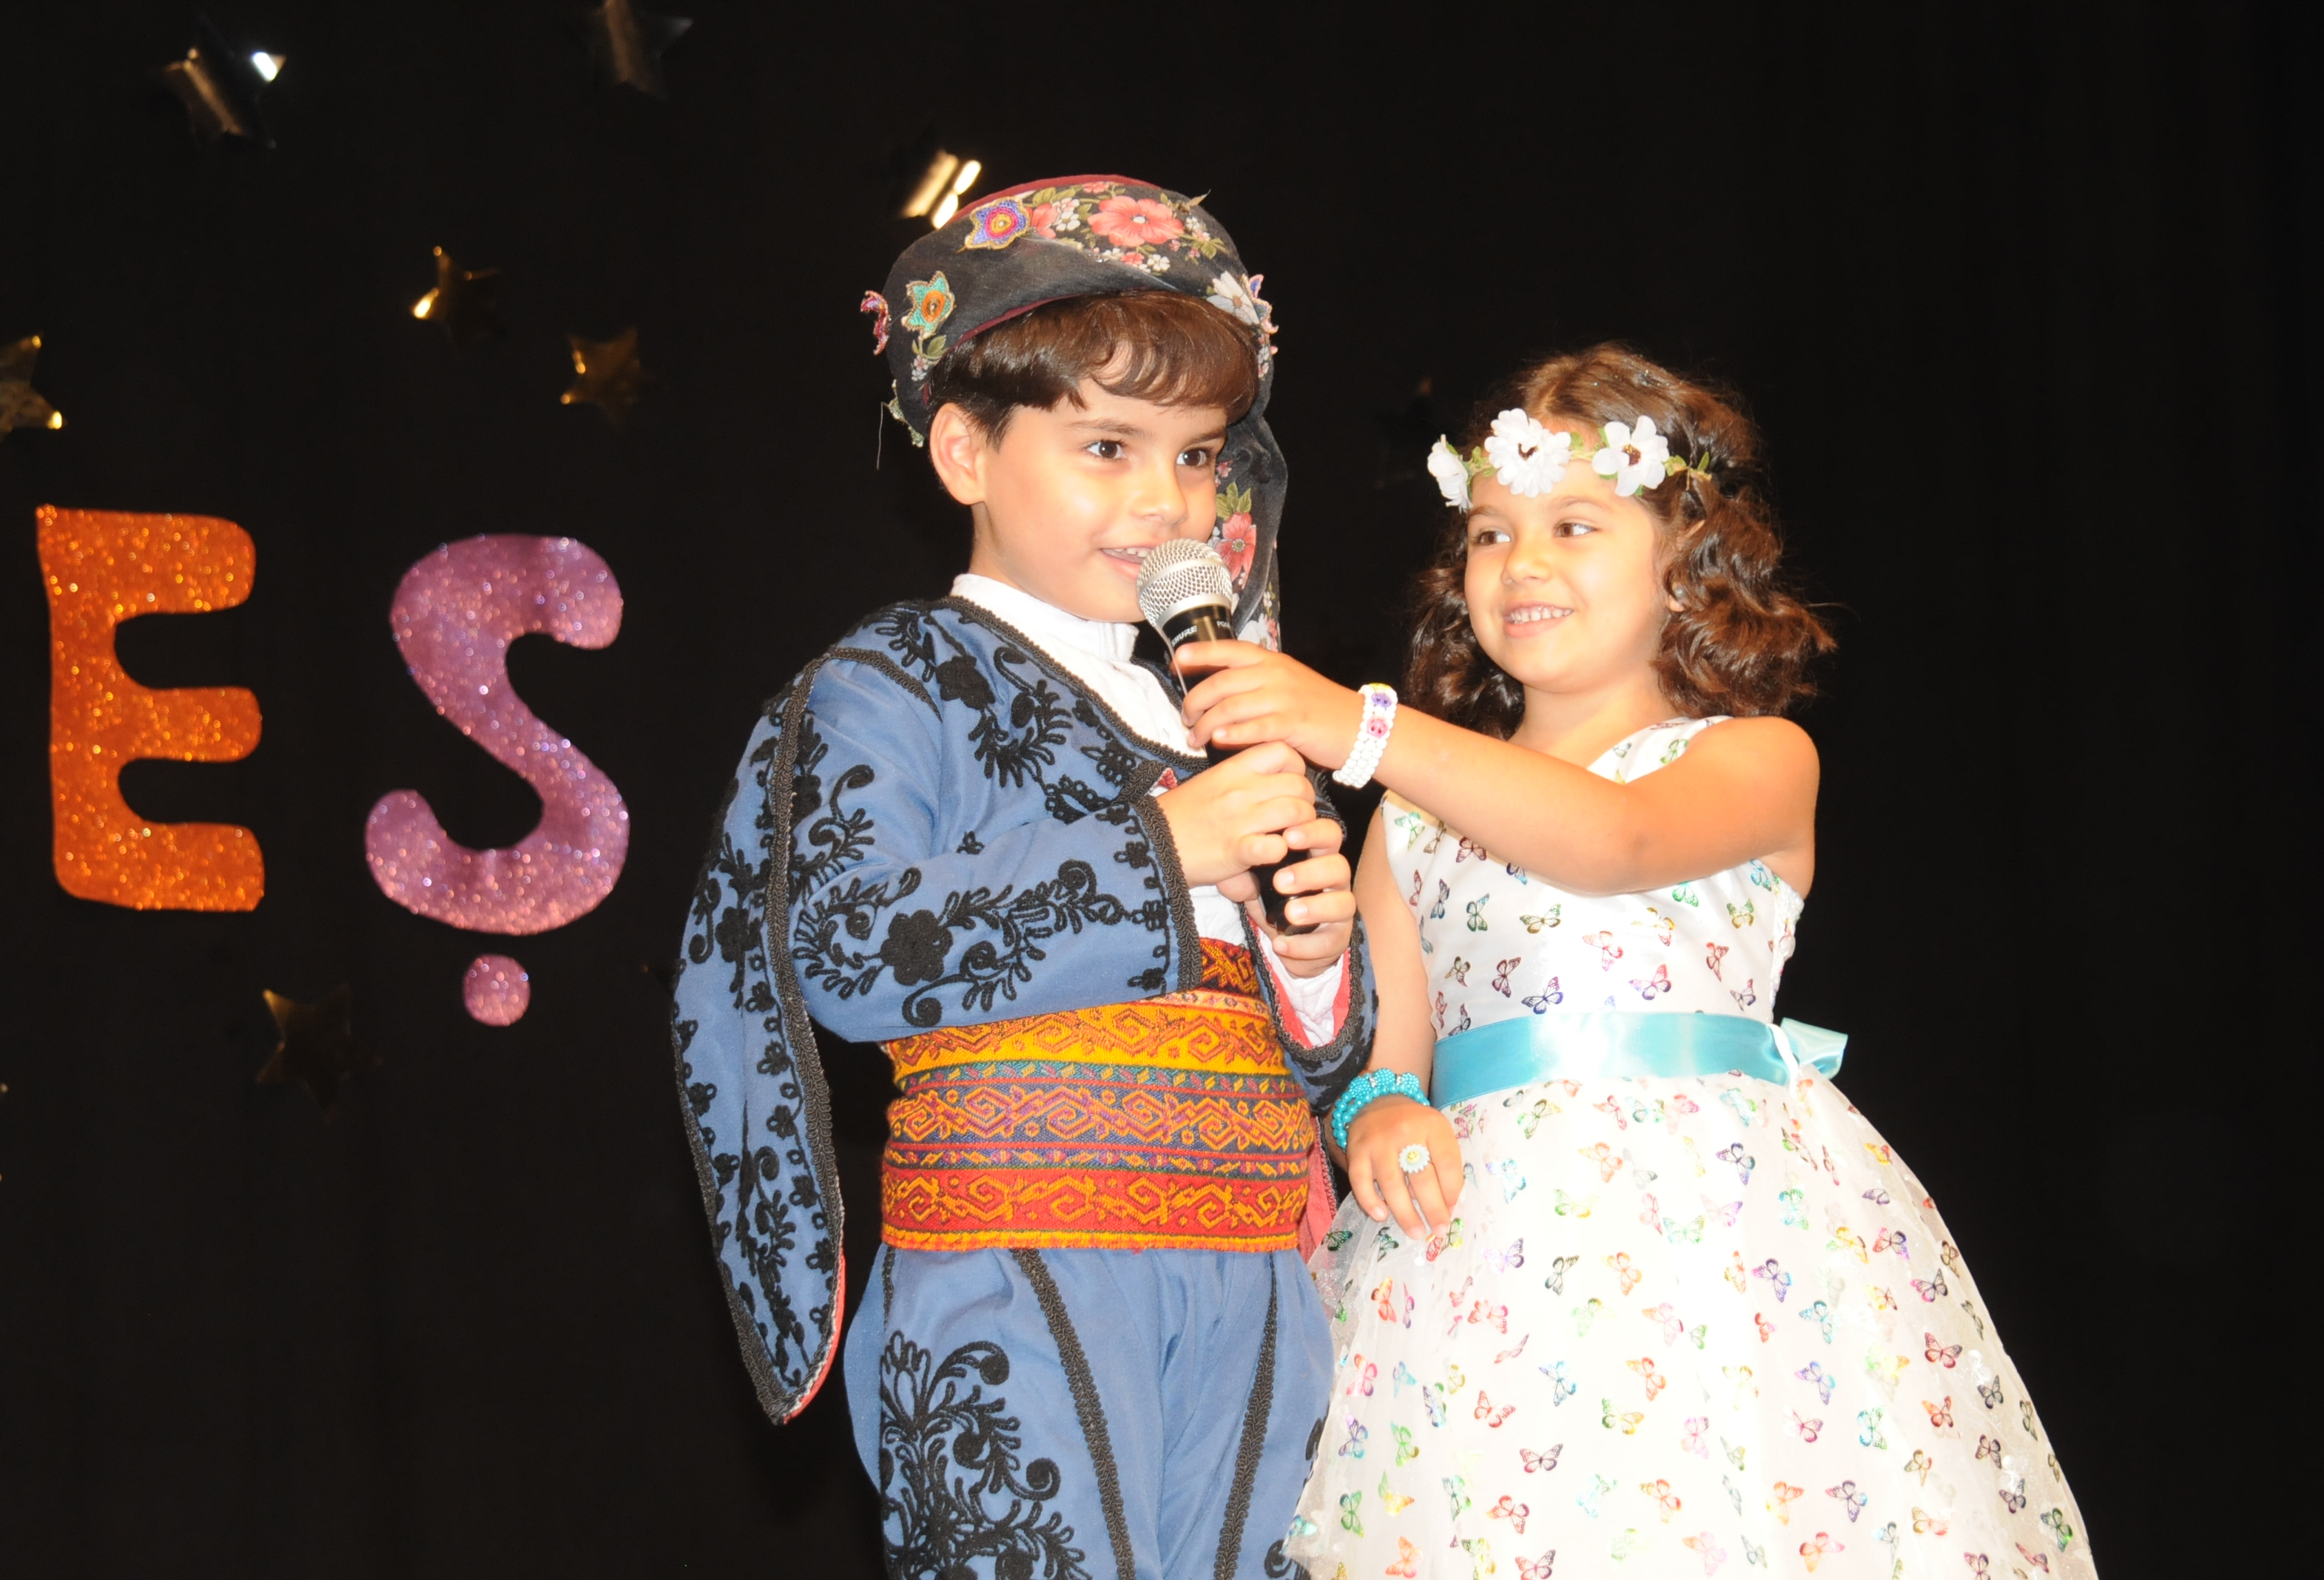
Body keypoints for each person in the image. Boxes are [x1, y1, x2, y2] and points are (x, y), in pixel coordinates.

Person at [1173, 346, 2097, 1577]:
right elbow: (1391, 1056)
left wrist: (1358, 723)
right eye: (1490, 534)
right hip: (1480, 1263)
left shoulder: (1754, 758)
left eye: (1573, 525)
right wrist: (1382, 1115)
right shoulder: (1412, 818)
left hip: (1720, 1238)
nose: (1522, 563)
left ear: (1685, 560)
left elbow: (1614, 842)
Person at [670, 178, 1381, 1579]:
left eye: (1197, 457)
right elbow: (849, 949)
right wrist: (1172, 850)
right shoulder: (892, 682)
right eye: (1108, 447)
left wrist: (1311, 963)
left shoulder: (1222, 711)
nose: (1166, 502)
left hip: (1253, 1278)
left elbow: (1324, 1061)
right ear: (963, 451)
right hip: (1022, 1261)